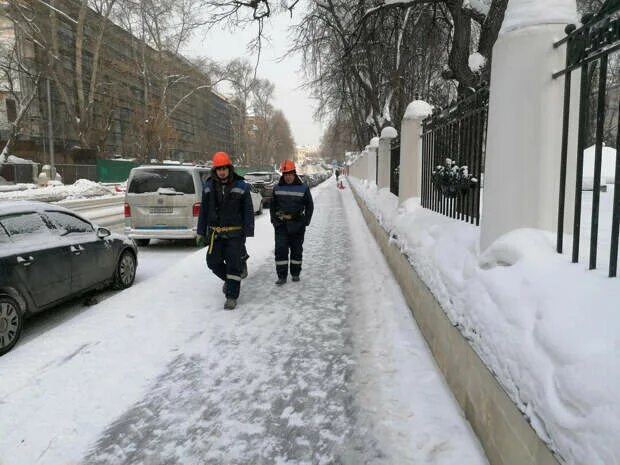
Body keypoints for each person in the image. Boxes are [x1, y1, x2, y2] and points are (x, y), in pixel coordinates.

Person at [196, 152, 254, 310]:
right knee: (212, 262)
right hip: (217, 234)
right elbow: (204, 211)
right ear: (215, 170)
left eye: (224, 168)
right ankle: (230, 281)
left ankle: (231, 296)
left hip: (235, 233)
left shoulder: (241, 186)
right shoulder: (208, 187)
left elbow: (248, 210)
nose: (222, 171)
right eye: (218, 168)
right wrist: (201, 231)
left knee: (233, 264)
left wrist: (248, 231)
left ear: (229, 168)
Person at [270, 159, 314, 285]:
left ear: (294, 173)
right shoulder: (277, 188)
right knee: (281, 250)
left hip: (297, 225)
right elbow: (272, 207)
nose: (288, 176)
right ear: (283, 175)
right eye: (285, 174)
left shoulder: (303, 188)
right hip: (281, 225)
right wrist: (274, 221)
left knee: (296, 250)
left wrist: (305, 221)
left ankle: (295, 273)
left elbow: (309, 206)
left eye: (290, 174)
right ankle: (282, 276)